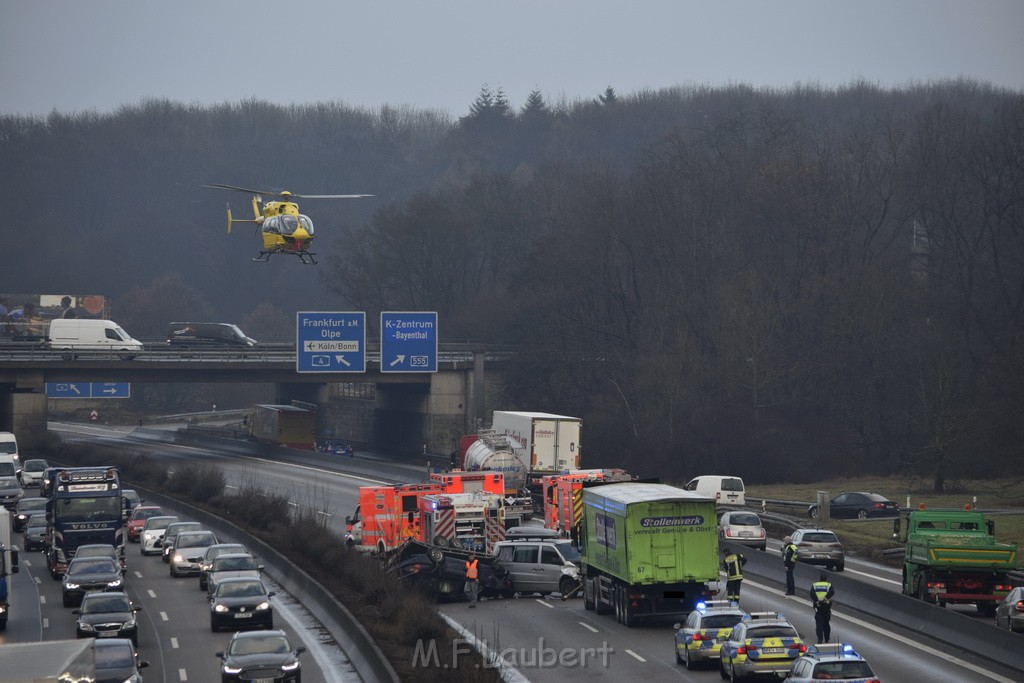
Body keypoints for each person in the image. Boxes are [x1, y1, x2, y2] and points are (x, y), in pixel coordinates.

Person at [811, 573, 835, 644]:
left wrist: (817, 601)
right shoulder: (829, 585)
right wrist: (825, 598)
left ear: (820, 579)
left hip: (818, 606)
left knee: (819, 624)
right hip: (826, 606)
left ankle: (820, 639)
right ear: (826, 579)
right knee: (826, 623)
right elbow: (832, 592)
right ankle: (827, 638)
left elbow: (811, 594)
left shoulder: (815, 585)